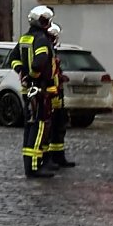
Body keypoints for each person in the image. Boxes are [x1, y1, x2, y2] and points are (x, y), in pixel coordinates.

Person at [9, 5, 56, 178]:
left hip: (27, 90)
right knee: (39, 126)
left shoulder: (25, 38)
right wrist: (33, 76)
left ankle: (31, 164)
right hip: (39, 90)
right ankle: (34, 167)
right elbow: (39, 62)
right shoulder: (41, 39)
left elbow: (12, 59)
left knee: (30, 126)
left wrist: (22, 72)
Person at [45, 22, 76, 168]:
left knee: (59, 124)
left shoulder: (52, 49)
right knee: (49, 126)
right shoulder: (43, 47)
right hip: (48, 94)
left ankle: (59, 156)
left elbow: (54, 70)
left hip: (57, 92)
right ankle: (48, 158)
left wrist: (61, 78)